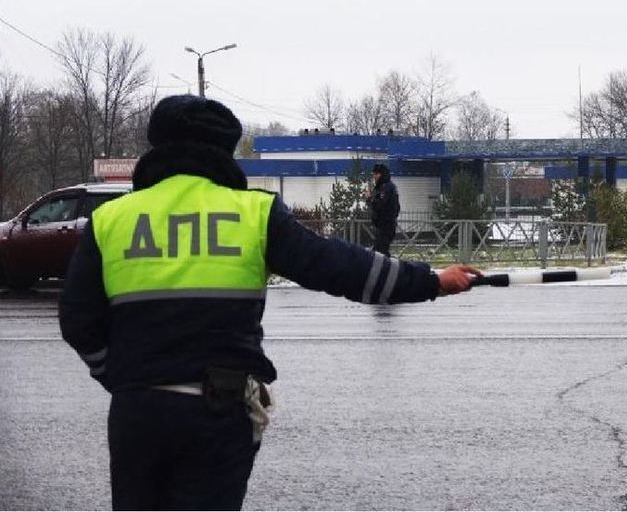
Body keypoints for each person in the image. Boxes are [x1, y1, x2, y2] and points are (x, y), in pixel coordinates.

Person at [58, 94, 479, 511]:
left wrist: (118, 375)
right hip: (216, 414)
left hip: (138, 412)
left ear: (158, 146)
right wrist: (429, 281)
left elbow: (78, 320)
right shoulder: (252, 213)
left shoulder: (112, 219)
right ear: (223, 152)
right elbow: (337, 266)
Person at [365, 162, 400, 257]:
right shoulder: (388, 187)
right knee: (381, 251)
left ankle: (392, 269)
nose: (374, 177)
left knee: (380, 253)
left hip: (385, 225)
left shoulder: (386, 188)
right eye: (374, 174)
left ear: (382, 174)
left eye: (376, 174)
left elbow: (379, 205)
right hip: (384, 225)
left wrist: (369, 199)